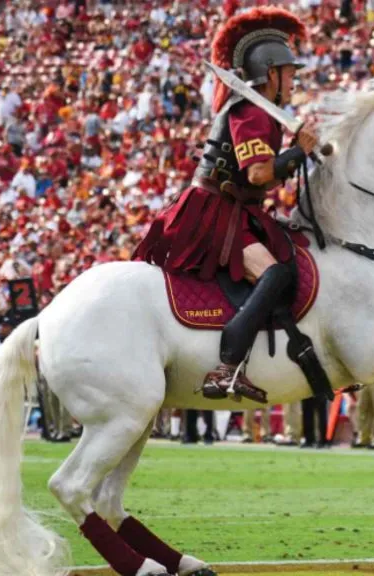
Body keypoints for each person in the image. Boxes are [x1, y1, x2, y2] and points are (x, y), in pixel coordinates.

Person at [134, 7, 318, 404]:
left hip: (235, 210)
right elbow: (257, 175)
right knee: (274, 275)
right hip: (215, 213)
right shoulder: (250, 112)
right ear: (271, 74)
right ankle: (227, 364)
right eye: (290, 73)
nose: (293, 81)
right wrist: (297, 153)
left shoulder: (260, 112)